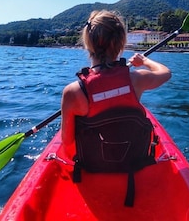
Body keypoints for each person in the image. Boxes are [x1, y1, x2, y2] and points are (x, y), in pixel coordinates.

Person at [60, 9, 171, 163]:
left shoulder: (73, 92)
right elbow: (166, 73)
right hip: (133, 166)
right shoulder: (137, 79)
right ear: (121, 43)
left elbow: (67, 143)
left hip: (93, 168)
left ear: (88, 43)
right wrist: (145, 61)